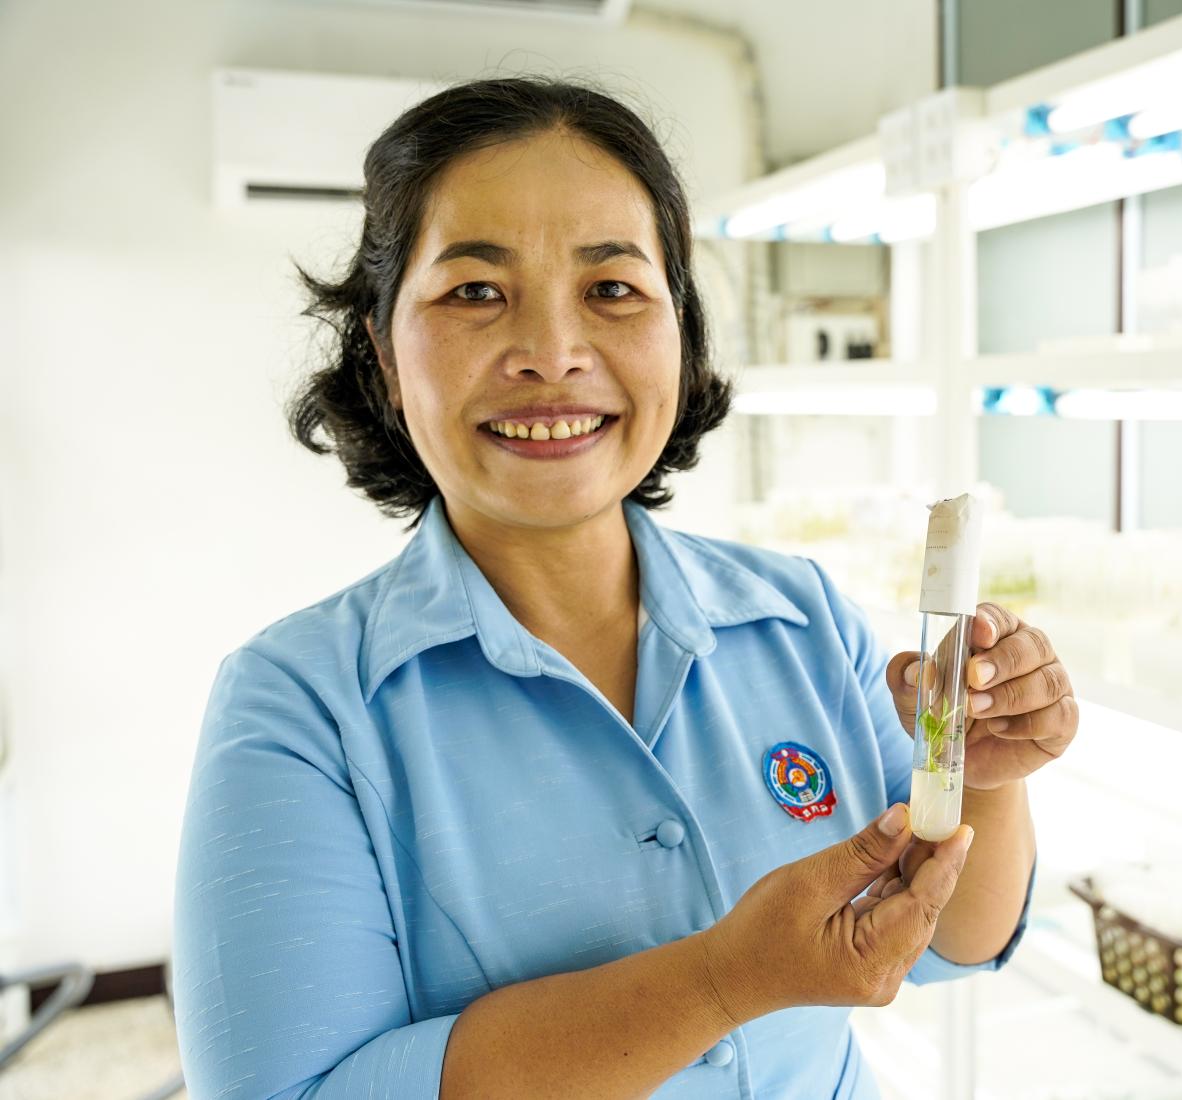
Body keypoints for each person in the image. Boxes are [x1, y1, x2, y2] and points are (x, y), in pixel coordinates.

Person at [172, 76, 1077, 1100]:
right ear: (383, 355)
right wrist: (723, 979)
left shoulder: (802, 617)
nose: (552, 354)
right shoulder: (301, 706)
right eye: (475, 291)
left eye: (613, 290)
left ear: (679, 332)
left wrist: (984, 781)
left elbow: (949, 941)